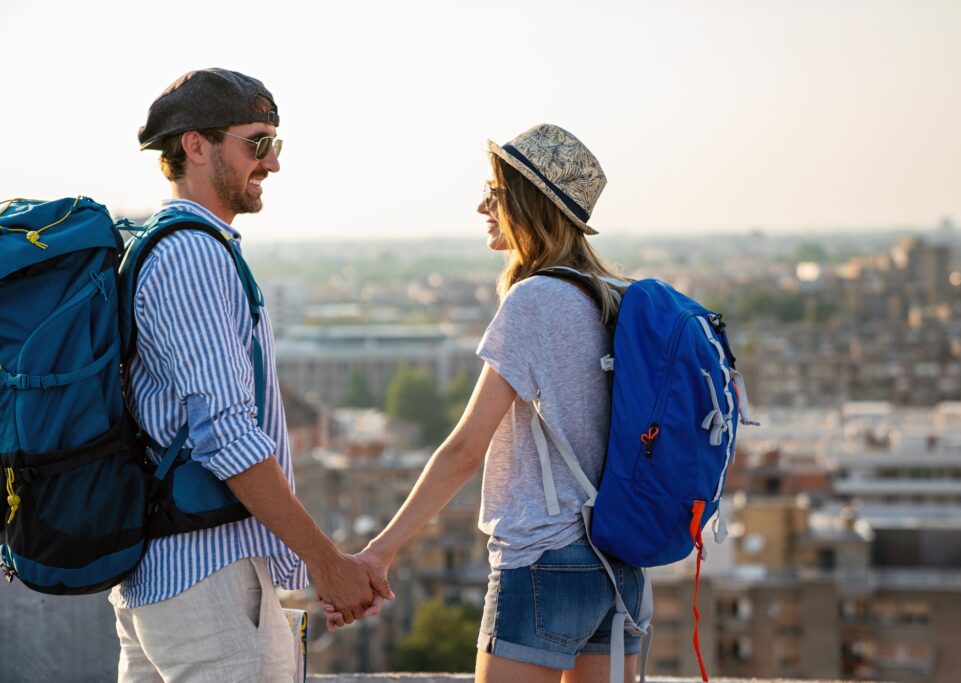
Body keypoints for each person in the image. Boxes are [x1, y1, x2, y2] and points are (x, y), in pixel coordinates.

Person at [328, 124, 644, 682]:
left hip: (545, 560)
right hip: (620, 563)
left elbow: (465, 449)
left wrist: (379, 551)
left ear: (529, 206)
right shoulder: (616, 297)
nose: (481, 206)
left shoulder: (536, 299)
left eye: (494, 195)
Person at [112, 68, 391, 683]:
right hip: (206, 583)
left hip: (180, 578)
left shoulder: (183, 247)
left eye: (275, 145)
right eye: (257, 143)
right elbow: (229, 438)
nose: (272, 164)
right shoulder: (192, 255)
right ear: (195, 145)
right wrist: (326, 563)